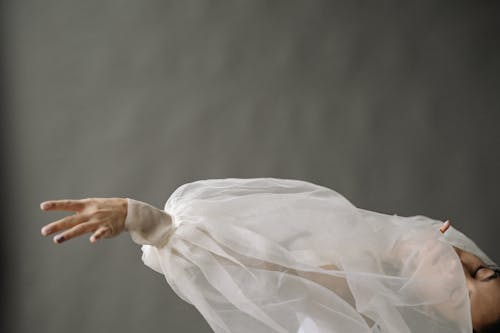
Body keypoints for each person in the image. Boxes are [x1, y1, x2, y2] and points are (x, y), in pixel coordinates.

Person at [40, 178, 499, 333]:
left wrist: (148, 223)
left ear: (425, 315)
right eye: (485, 269)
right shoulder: (363, 241)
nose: (460, 260)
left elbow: (244, 266)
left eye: (459, 292)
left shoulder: (339, 285)